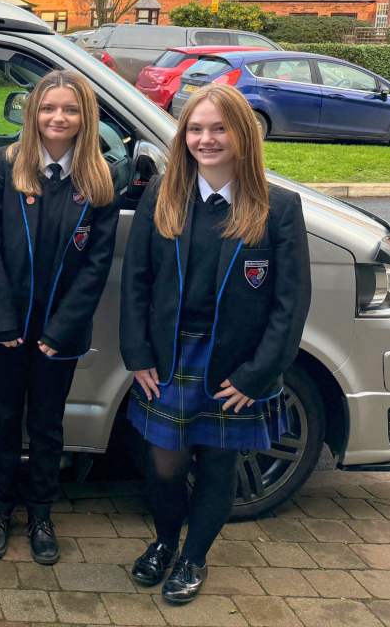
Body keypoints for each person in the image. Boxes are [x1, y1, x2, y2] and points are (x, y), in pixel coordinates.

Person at [120, 84, 311, 605]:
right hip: (170, 359)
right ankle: (164, 541)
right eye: (196, 129)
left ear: (243, 135)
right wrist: (137, 354)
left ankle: (193, 558)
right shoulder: (163, 196)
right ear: (183, 137)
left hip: (235, 366)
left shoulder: (279, 209)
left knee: (219, 465)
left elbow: (290, 306)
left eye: (219, 128)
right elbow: (136, 281)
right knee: (165, 465)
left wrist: (258, 375)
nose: (206, 139)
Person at [0, 71, 118, 565]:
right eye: (49, 108)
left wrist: (61, 330)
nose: (59, 118)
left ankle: (41, 514)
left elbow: (95, 266)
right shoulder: (2, 168)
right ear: (33, 113)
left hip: (60, 333)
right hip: (5, 328)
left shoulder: (99, 180)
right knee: (5, 419)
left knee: (48, 425)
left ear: (85, 118)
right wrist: (4, 323)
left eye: (70, 110)